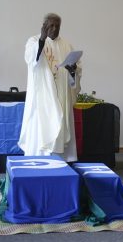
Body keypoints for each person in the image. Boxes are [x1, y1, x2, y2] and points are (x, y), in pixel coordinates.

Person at [18, 13, 82, 162]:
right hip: (43, 94)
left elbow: (77, 69)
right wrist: (42, 39)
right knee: (43, 123)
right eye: (51, 25)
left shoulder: (66, 44)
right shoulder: (34, 41)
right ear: (44, 26)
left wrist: (73, 69)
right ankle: (40, 158)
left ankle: (62, 159)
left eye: (57, 26)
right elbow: (31, 59)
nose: (54, 29)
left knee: (61, 121)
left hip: (62, 92)